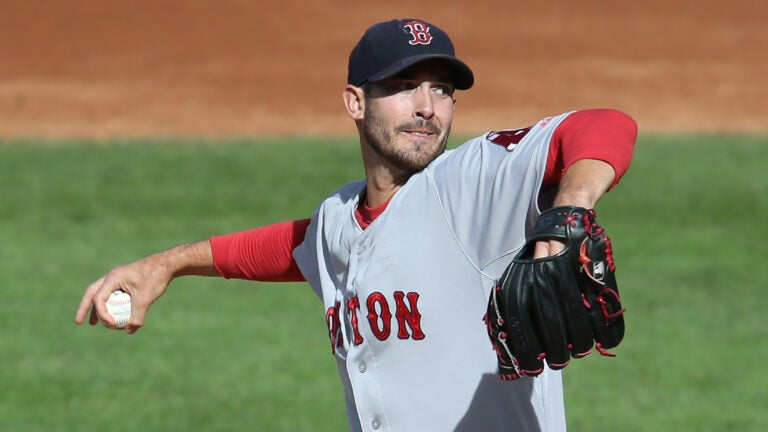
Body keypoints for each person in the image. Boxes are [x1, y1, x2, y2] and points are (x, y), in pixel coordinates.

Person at [76, 18, 637, 432]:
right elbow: (291, 246)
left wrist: (570, 213)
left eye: (442, 88)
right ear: (355, 102)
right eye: (403, 86)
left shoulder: (471, 182)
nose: (427, 107)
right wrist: (166, 264)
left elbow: (602, 125)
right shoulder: (337, 221)